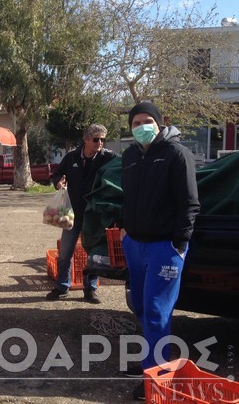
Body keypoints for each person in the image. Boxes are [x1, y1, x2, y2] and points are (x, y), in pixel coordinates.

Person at [120, 102, 200, 400]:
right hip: (135, 245)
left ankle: (156, 378)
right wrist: (126, 231)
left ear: (160, 122)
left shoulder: (176, 154)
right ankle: (149, 363)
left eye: (148, 120)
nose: (142, 126)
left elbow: (190, 203)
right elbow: (128, 196)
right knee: (140, 307)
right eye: (136, 122)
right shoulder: (129, 156)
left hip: (164, 248)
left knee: (156, 311)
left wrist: (179, 245)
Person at [47, 124, 117, 304]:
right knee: (65, 254)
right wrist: (58, 183)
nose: (100, 143)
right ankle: (63, 286)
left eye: (102, 139)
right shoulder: (71, 157)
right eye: (96, 139)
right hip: (73, 214)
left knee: (93, 254)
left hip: (94, 217)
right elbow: (57, 175)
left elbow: (123, 166)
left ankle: (90, 289)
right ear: (85, 140)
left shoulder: (108, 158)